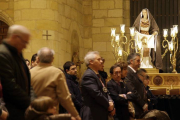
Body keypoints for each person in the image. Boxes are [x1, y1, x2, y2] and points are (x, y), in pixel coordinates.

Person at [31, 47, 81, 120]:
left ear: (38, 59)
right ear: (52, 59)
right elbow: (65, 98)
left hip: (33, 112)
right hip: (50, 113)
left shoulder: (30, 72)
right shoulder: (57, 73)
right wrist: (76, 115)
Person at [0, 25, 31, 120]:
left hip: (20, 108)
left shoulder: (17, 53)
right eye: (24, 42)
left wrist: (32, 100)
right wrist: (29, 103)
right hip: (10, 110)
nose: (25, 46)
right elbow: (9, 85)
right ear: (14, 37)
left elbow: (27, 80)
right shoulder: (3, 54)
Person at [81, 51, 115, 120]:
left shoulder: (98, 75)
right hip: (92, 113)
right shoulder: (88, 75)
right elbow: (96, 93)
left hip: (100, 111)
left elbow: (105, 90)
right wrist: (109, 105)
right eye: (98, 59)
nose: (101, 61)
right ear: (91, 62)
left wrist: (110, 101)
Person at [125, 53, 148, 119]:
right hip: (135, 105)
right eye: (138, 61)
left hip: (139, 106)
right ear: (131, 61)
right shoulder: (128, 72)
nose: (139, 63)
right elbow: (133, 90)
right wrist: (142, 104)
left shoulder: (134, 72)